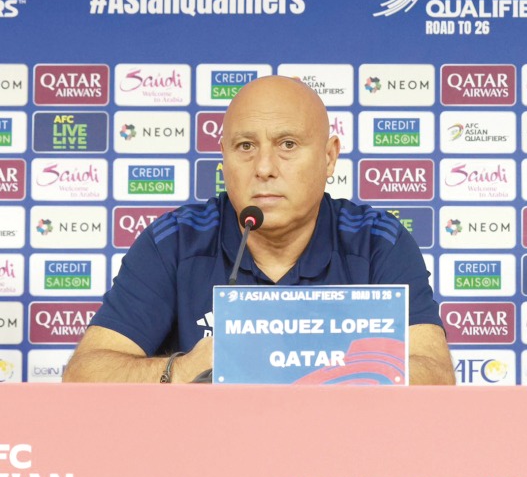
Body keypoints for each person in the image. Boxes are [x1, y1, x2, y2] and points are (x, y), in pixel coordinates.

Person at [64, 76, 455, 385]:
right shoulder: (176, 241)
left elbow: (436, 376)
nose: (264, 166)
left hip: (341, 470)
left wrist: (307, 365)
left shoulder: (376, 242)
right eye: (245, 146)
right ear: (224, 158)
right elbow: (84, 374)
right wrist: (180, 372)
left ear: (329, 156)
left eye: (287, 144)